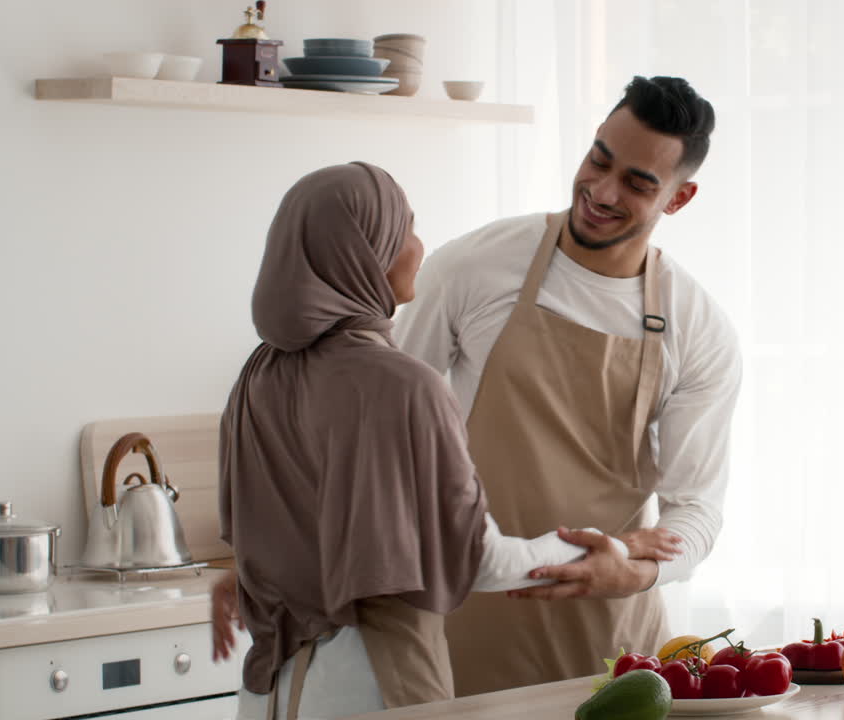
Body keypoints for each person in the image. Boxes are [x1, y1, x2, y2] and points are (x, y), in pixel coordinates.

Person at [214, 162, 633, 720]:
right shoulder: (402, 385)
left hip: (268, 689)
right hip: (374, 684)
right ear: (365, 253)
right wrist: (598, 548)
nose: (418, 246)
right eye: (405, 230)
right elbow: (478, 559)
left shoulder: (257, 376)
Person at [393, 75, 743, 696]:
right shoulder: (475, 266)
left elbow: (696, 507)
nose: (602, 192)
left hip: (613, 642)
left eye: (637, 183)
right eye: (598, 160)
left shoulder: (697, 325)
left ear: (679, 198)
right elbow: (386, 430)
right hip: (465, 619)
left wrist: (634, 574)